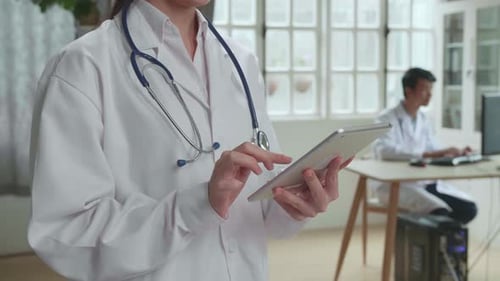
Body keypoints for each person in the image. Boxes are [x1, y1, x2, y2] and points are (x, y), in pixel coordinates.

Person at [28, 0, 351, 280]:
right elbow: (67, 233)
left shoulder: (239, 61)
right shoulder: (82, 65)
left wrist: (295, 201)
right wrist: (197, 205)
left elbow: (259, 202)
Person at [372, 67, 477, 224]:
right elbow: (384, 150)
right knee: (440, 211)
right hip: (396, 185)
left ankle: (443, 245)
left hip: (423, 182)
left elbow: (433, 147)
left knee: (468, 209)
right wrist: (427, 155)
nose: (430, 94)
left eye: (431, 89)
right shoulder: (386, 118)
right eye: (425, 89)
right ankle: (424, 244)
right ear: (408, 90)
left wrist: (455, 152)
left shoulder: (423, 118)